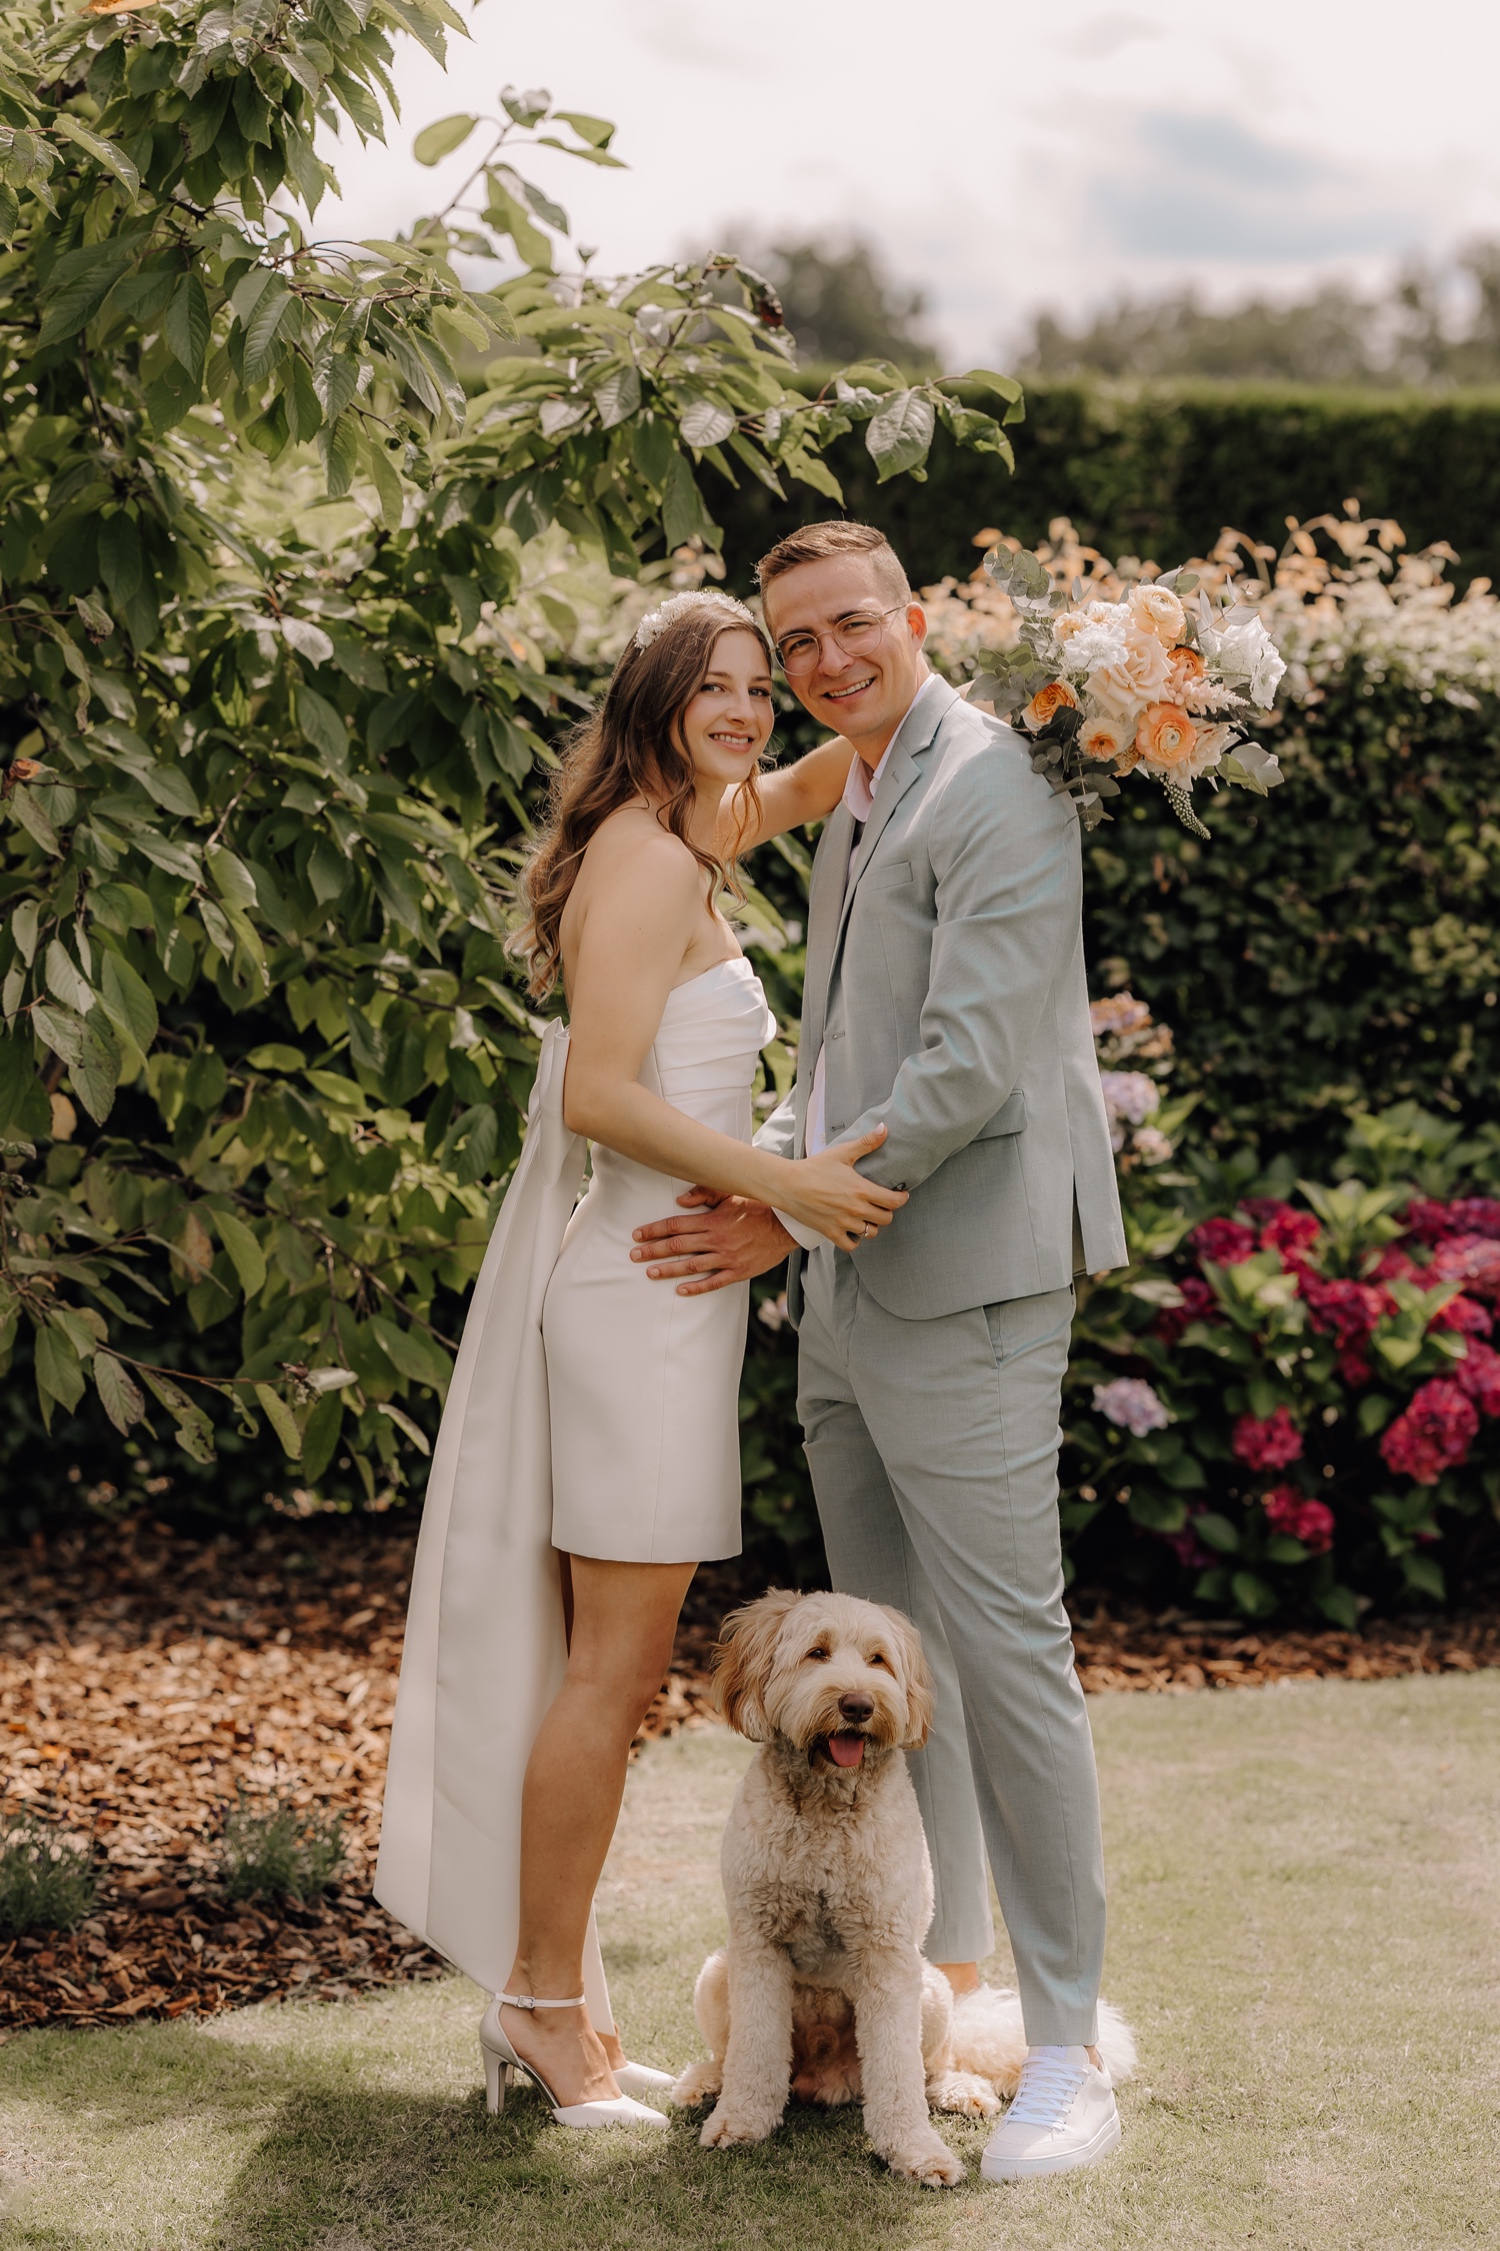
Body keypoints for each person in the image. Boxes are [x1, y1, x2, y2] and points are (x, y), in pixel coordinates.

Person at [630, 521, 1130, 2182]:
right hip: (844, 1295)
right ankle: (953, 1991)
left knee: (1008, 1662)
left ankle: (1068, 2047)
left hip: (966, 1283)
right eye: (800, 647)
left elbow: (974, 1063)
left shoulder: (993, 784)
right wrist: (761, 1177)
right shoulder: (857, 784)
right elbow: (846, 1056)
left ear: (913, 618)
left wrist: (784, 1212)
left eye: (855, 627)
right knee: (904, 1693)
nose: (830, 661)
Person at [374, 587, 906, 2131]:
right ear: (655, 701)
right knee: (608, 1675)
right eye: (719, 686)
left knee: (604, 1669)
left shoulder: (695, 827)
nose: (751, 708)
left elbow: (818, 776)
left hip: (662, 1300)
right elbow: (601, 1091)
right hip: (638, 1298)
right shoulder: (647, 853)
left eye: (762, 682)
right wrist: (783, 1186)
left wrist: (996, 680)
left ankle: (557, 1997)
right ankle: (543, 2007)